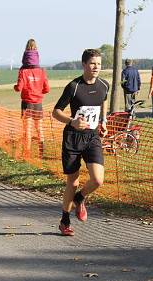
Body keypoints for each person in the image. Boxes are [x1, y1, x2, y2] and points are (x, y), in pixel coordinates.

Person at [52, 49, 109, 236]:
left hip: (92, 137)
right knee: (73, 182)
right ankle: (65, 220)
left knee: (98, 180)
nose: (96, 67)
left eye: (99, 64)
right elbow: (56, 111)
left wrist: (103, 121)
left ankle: (80, 198)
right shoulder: (73, 86)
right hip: (73, 138)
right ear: (84, 64)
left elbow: (103, 101)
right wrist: (72, 121)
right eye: (92, 63)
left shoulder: (103, 85)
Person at [14, 39, 50, 159]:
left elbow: (19, 88)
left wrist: (15, 87)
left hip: (27, 104)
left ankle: (27, 154)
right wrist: (39, 90)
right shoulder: (42, 71)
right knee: (40, 130)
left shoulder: (23, 71)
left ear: (25, 56)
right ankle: (41, 154)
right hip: (38, 104)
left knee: (27, 131)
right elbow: (47, 89)